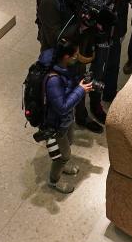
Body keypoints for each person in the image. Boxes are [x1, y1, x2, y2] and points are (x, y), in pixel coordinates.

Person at [37, 0, 104, 133]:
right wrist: (80, 25)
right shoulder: (50, 2)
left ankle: (82, 116)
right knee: (59, 92)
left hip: (74, 52)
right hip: (57, 58)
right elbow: (55, 37)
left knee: (80, 82)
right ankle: (58, 125)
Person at [38, 39, 94, 194]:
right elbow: (62, 107)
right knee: (64, 155)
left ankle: (63, 165)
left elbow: (67, 86)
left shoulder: (62, 67)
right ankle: (53, 182)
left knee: (69, 141)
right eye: (74, 55)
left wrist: (79, 83)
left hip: (66, 119)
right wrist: (81, 90)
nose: (77, 57)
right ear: (65, 57)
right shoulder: (53, 80)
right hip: (56, 122)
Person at [98, 0, 131, 103]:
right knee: (98, 69)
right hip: (101, 35)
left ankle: (109, 94)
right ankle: (95, 99)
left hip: (118, 32)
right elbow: (97, 10)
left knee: (114, 65)